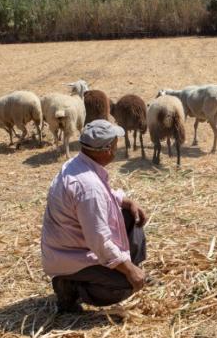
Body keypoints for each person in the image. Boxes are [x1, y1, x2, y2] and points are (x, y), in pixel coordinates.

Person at [40, 119, 149, 313]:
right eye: (115, 144)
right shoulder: (88, 187)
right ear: (107, 150)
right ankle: (70, 287)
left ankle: (123, 269)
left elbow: (106, 198)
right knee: (124, 285)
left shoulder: (77, 165)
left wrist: (127, 201)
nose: (117, 148)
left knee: (130, 217)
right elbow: (99, 240)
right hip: (71, 256)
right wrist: (129, 271)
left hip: (72, 245)